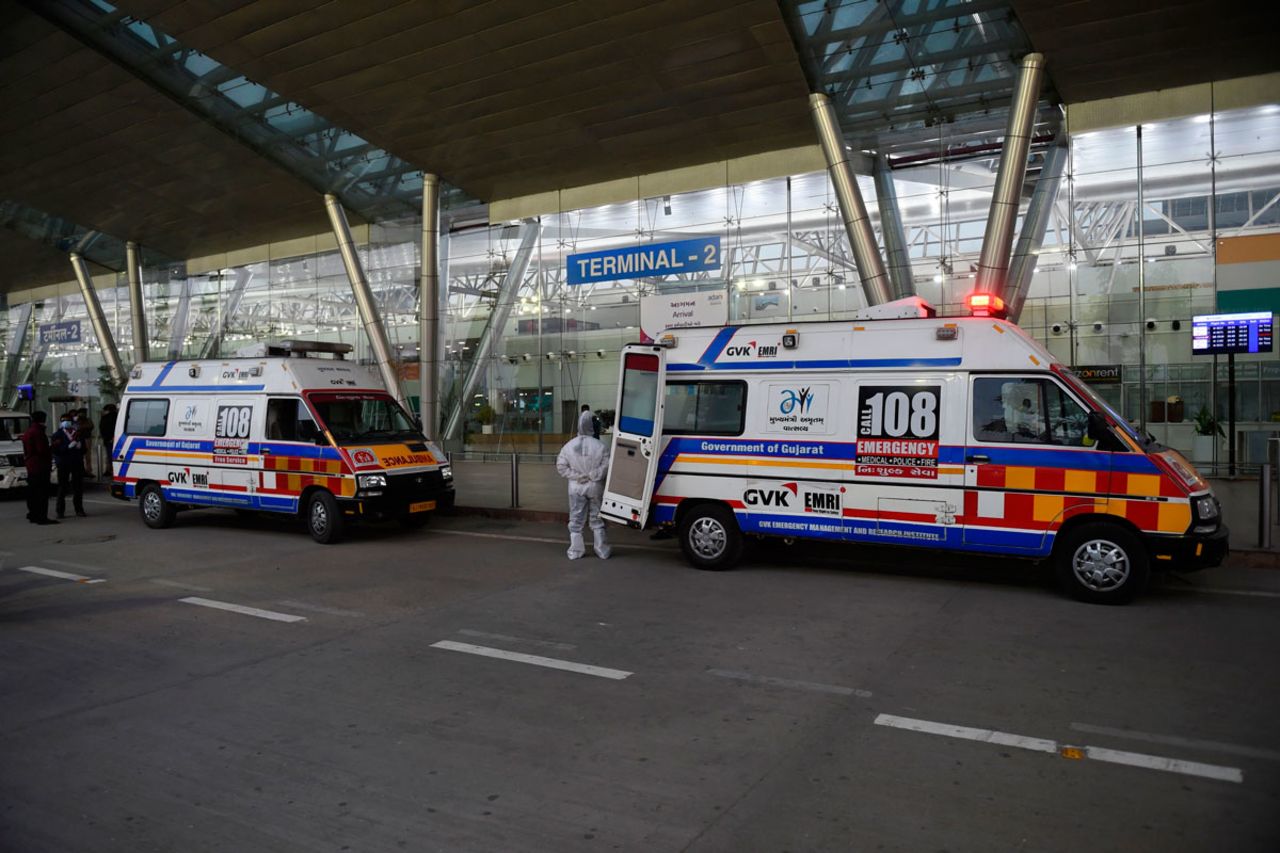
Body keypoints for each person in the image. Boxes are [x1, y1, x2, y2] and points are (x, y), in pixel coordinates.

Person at [556, 410, 611, 560]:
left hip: (576, 487)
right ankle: (602, 550)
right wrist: (593, 475)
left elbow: (561, 467)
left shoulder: (568, 446)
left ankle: (576, 551)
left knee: (576, 520)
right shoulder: (600, 446)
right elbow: (606, 466)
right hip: (595, 487)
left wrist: (576, 476)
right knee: (597, 518)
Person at [21, 411, 56, 525]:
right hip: (40, 465)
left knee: (33, 492)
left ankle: (33, 514)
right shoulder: (38, 432)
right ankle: (41, 517)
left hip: (31, 465)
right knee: (41, 493)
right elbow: (42, 450)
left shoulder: (29, 431)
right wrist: (53, 447)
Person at [50, 414, 86, 518]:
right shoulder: (57, 434)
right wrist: (67, 447)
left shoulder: (78, 434)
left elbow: (84, 450)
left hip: (77, 463)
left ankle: (79, 509)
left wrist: (80, 447)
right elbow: (55, 450)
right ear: (61, 422)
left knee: (78, 487)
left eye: (69, 421)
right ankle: (60, 511)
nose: (67, 422)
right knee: (62, 487)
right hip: (64, 463)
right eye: (64, 421)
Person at [99, 403, 118, 478]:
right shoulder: (118, 416)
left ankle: (111, 471)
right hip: (117, 439)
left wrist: (107, 438)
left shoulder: (105, 418)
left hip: (108, 440)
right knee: (115, 456)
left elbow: (102, 429)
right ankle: (113, 471)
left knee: (110, 456)